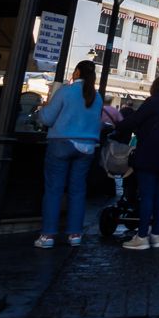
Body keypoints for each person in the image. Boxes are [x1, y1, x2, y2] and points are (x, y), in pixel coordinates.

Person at [35, 60, 105, 248]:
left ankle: (48, 235)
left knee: (54, 189)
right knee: (78, 190)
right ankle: (75, 234)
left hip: (62, 143)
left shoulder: (66, 91)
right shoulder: (97, 97)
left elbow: (48, 118)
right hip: (87, 147)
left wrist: (40, 111)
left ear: (77, 72)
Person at [114, 75, 159, 250]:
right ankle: (156, 235)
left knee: (146, 194)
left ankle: (142, 236)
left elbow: (135, 120)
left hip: (150, 152)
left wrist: (118, 125)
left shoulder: (154, 101)